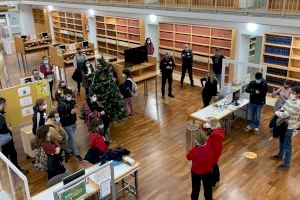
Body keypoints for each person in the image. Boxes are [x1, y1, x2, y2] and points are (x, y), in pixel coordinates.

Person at [271, 86, 300, 169]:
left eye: (294, 93)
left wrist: (278, 113)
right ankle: (280, 155)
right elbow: (283, 109)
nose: (291, 94)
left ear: (298, 94)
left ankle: (286, 164)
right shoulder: (290, 100)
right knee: (281, 140)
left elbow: (284, 114)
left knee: (287, 144)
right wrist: (282, 114)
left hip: (289, 127)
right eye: (291, 92)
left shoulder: (297, 104)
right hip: (283, 124)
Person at [0, 97, 28, 174]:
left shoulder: (2, 114)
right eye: (3, 104)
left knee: (8, 153)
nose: (4, 106)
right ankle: (16, 170)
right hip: (6, 139)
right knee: (12, 153)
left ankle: (12, 169)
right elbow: (2, 128)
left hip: (5, 139)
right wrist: (9, 127)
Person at [187, 131, 213, 200]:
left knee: (195, 189)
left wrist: (191, 149)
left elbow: (188, 157)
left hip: (196, 173)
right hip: (208, 171)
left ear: (196, 140)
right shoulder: (209, 144)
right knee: (208, 190)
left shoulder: (194, 150)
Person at [57, 88, 82, 161]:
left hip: (73, 122)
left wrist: (75, 106)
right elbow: (62, 117)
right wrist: (70, 113)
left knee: (71, 138)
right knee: (72, 138)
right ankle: (76, 154)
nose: (69, 97)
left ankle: (67, 148)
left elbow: (74, 105)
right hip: (67, 124)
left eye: (70, 96)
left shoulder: (71, 100)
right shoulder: (61, 104)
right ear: (64, 95)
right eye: (68, 96)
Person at [203, 118, 225, 188]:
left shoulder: (214, 136)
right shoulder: (216, 131)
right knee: (215, 166)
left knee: (212, 168)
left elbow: (210, 145)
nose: (206, 124)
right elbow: (206, 129)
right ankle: (217, 178)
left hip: (213, 155)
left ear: (212, 125)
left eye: (208, 123)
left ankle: (213, 182)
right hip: (214, 154)